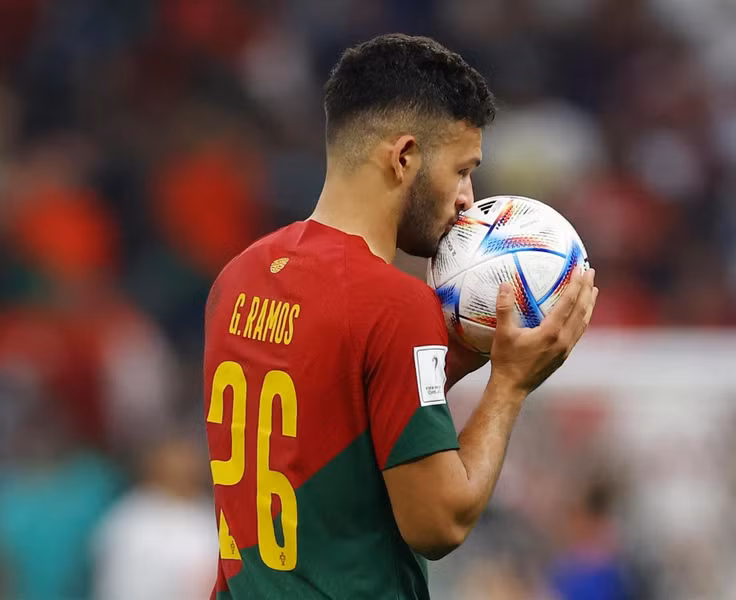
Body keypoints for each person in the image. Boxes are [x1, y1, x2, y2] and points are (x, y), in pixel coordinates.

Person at [203, 33, 598, 600]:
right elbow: (440, 522)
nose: (468, 199)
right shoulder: (393, 303)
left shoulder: (238, 277)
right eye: (463, 170)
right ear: (404, 156)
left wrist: (454, 362)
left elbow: (329, 432)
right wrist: (510, 384)